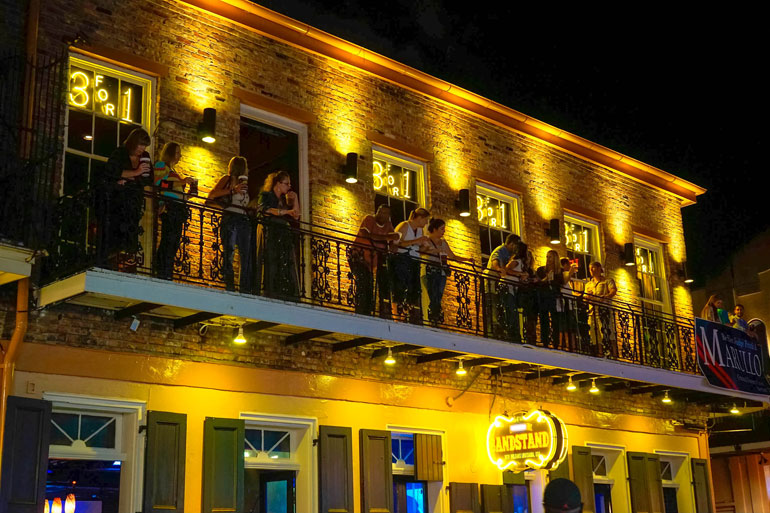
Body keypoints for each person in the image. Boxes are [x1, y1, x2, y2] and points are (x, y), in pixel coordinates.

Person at [100, 128, 152, 266]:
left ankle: (129, 257)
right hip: (118, 201)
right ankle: (114, 258)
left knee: (132, 228)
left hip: (134, 200)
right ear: (133, 143)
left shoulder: (144, 157)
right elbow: (112, 172)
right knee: (118, 228)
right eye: (140, 145)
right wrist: (136, 172)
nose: (142, 149)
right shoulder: (120, 153)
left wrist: (138, 175)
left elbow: (147, 179)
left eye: (145, 146)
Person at [208, 156, 253, 293]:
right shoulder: (227, 179)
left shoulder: (244, 183)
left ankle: (244, 287)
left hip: (243, 220)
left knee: (246, 254)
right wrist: (232, 190)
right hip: (231, 218)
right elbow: (211, 195)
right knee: (229, 252)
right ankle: (230, 285)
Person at [153, 142, 196, 280]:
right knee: (169, 239)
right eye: (177, 152)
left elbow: (175, 192)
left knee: (174, 241)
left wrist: (188, 195)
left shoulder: (174, 173)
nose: (180, 155)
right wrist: (182, 182)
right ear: (170, 153)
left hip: (178, 208)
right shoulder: (161, 166)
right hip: (170, 207)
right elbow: (160, 184)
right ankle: (162, 271)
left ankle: (167, 272)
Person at [255, 170, 300, 298]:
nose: (289, 186)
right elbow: (266, 209)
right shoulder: (266, 195)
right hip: (271, 232)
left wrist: (295, 198)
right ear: (278, 184)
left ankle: (285, 290)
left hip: (283, 234)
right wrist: (286, 212)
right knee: (271, 260)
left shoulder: (285, 200)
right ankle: (269, 289)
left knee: (285, 261)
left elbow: (296, 215)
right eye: (286, 184)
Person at [348, 204, 399, 316]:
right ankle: (361, 311)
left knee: (370, 285)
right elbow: (366, 234)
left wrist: (393, 243)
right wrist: (387, 238)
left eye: (385, 213)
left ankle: (370, 311)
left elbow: (394, 239)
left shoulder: (388, 225)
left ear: (388, 216)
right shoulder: (369, 219)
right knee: (364, 281)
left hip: (371, 262)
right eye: (380, 211)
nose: (381, 215)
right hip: (358, 257)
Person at [421, 218, 473, 324]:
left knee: (439, 294)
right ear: (434, 229)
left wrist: (467, 259)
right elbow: (422, 252)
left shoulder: (443, 242)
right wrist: (436, 250)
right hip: (429, 270)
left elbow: (452, 256)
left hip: (441, 271)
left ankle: (436, 315)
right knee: (433, 293)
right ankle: (433, 316)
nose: (444, 231)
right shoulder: (426, 240)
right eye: (442, 229)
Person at [392, 207, 430, 322]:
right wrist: (415, 242)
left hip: (414, 261)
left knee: (414, 288)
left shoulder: (420, 231)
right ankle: (397, 315)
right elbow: (395, 243)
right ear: (419, 218)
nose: (426, 223)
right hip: (402, 259)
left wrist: (425, 247)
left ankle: (409, 312)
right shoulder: (404, 226)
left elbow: (420, 251)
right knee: (400, 285)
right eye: (426, 220)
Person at [482, 233, 521, 341]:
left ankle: (501, 331)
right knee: (492, 305)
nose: (516, 248)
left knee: (499, 307)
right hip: (492, 283)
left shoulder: (509, 254)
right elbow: (495, 261)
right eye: (515, 245)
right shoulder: (500, 250)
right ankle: (492, 332)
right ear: (511, 244)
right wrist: (499, 269)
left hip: (500, 285)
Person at [584, 261, 617, 357]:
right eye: (590, 268)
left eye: (593, 268)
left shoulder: (607, 280)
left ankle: (613, 353)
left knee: (607, 330)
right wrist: (587, 297)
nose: (591, 270)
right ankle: (600, 352)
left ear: (599, 268)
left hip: (604, 310)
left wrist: (606, 296)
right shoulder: (588, 284)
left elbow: (613, 291)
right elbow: (585, 296)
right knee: (594, 332)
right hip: (592, 310)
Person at [536, 250, 564, 349]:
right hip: (544, 297)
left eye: (550, 257)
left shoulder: (560, 272)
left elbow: (560, 284)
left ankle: (556, 342)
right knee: (544, 319)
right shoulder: (541, 270)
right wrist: (546, 279)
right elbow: (537, 283)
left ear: (555, 259)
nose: (548, 259)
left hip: (554, 297)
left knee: (555, 320)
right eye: (547, 257)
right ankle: (545, 341)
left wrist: (552, 280)